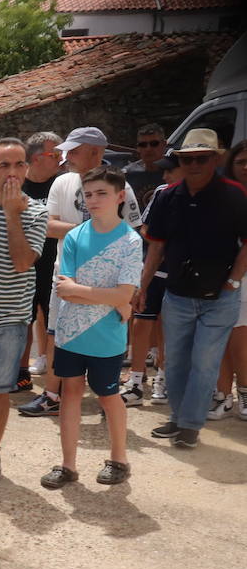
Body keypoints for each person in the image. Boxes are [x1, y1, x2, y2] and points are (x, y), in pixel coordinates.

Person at [19, 126, 142, 418]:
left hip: (109, 280)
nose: (67, 156)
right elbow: (48, 226)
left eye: (74, 151)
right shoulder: (61, 183)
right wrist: (87, 232)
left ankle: (106, 396)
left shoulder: (120, 184)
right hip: (66, 273)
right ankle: (52, 395)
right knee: (55, 333)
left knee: (106, 337)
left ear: (96, 152)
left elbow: (134, 231)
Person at [143, 128, 247, 448]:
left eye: (202, 158)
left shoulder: (235, 194)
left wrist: (234, 280)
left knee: (204, 361)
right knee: (174, 360)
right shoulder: (165, 196)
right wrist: (142, 287)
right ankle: (179, 417)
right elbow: (156, 248)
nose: (194, 164)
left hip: (220, 296)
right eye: (187, 159)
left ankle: (189, 424)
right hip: (177, 295)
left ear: (216, 159)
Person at [40, 167, 140, 488]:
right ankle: (68, 466)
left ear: (120, 197)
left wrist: (111, 297)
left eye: (102, 193)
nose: (94, 200)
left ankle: (119, 459)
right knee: (70, 394)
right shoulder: (74, 236)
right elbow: (63, 287)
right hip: (70, 335)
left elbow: (125, 293)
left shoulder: (130, 241)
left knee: (108, 396)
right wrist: (112, 299)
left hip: (107, 339)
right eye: (89, 194)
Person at [0, 138, 49, 483]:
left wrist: (10, 213)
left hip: (11, 319)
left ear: (28, 168)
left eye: (19, 165)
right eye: (5, 166)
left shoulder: (37, 212)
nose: (13, 173)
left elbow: (21, 262)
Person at [124, 151, 181, 409]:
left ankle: (164, 376)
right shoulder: (160, 193)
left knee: (168, 325)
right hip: (153, 269)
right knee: (142, 321)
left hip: (181, 273)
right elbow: (145, 229)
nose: (165, 175)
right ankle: (136, 381)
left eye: (170, 170)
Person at [17, 131, 64, 388]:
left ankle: (54, 385)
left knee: (55, 322)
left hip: (54, 263)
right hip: (23, 264)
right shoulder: (16, 185)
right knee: (23, 319)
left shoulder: (62, 184)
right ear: (36, 158)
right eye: (55, 154)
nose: (61, 159)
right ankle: (21, 372)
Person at [212, 138, 247, 421]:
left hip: (240, 278)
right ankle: (223, 395)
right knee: (224, 338)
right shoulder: (223, 196)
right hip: (226, 276)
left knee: (240, 341)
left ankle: (245, 393)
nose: (246, 167)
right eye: (241, 162)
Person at [123, 123, 167, 210]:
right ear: (138, 148)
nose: (148, 149)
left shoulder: (174, 172)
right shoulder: (128, 174)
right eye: (143, 145)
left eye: (154, 144)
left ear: (164, 144)